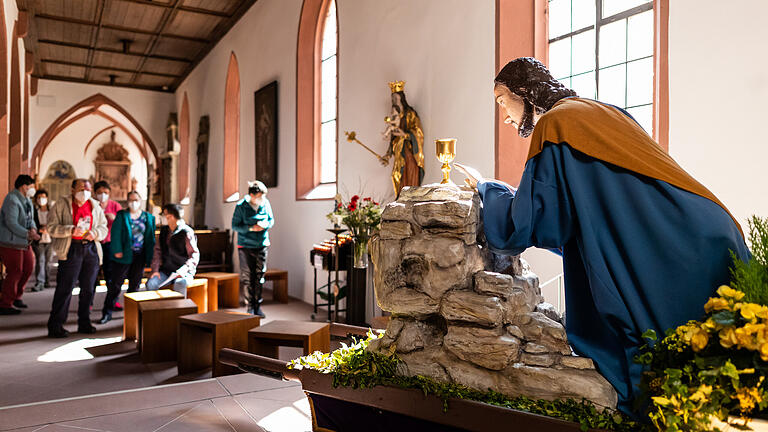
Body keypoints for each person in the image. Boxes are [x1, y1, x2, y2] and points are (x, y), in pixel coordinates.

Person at [454, 57, 750, 415]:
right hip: (704, 229)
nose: (505, 117)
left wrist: (487, 188)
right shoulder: (602, 110)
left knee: (669, 375)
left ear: (524, 92)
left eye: (503, 102)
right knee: (730, 370)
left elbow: (533, 221)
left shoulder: (556, 123)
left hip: (674, 247)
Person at [47, 179, 108, 338]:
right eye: (81, 189)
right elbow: (51, 227)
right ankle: (56, 325)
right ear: (73, 190)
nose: (85, 192)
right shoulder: (62, 204)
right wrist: (70, 230)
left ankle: (84, 322)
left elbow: (103, 227)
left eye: (88, 189)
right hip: (71, 248)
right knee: (65, 288)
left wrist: (95, 233)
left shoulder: (94, 205)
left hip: (90, 249)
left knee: (88, 288)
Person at [98, 190, 155, 324]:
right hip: (123, 254)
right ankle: (107, 312)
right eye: (131, 200)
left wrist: (150, 257)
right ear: (128, 202)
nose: (133, 203)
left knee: (134, 286)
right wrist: (117, 250)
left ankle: (131, 314)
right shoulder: (122, 215)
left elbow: (150, 238)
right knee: (115, 284)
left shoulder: (148, 217)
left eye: (136, 200)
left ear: (140, 201)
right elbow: (115, 233)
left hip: (140, 255)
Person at [231, 180, 274, 317]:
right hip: (245, 246)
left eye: (263, 196)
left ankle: (258, 306)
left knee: (259, 276)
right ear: (252, 195)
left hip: (261, 245)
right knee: (249, 277)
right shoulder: (241, 206)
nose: (262, 198)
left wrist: (264, 225)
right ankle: (250, 307)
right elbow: (235, 226)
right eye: (260, 196)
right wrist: (250, 228)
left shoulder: (265, 203)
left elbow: (271, 220)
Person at [0, 175, 39, 315]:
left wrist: (33, 229)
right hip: (11, 242)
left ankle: (16, 296)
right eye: (32, 186)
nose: (33, 189)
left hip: (23, 241)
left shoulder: (27, 199)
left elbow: (31, 218)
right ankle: (6, 303)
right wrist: (28, 234)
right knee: (15, 271)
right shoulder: (12, 199)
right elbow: (11, 223)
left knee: (28, 268)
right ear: (24, 186)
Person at [146, 204, 199, 296]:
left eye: (164, 214)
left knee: (180, 283)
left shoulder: (186, 232)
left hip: (183, 271)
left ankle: (179, 309)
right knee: (151, 283)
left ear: (171, 216)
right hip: (166, 270)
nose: (162, 217)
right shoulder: (164, 231)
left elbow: (194, 255)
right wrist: (155, 270)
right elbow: (157, 252)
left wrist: (185, 269)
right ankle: (156, 309)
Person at [93, 181, 121, 303]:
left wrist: (114, 219)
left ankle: (113, 302)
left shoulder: (115, 206)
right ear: (95, 194)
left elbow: (122, 226)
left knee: (111, 274)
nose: (103, 195)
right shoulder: (92, 205)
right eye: (100, 193)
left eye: (105, 193)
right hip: (95, 243)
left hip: (110, 244)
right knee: (92, 275)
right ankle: (88, 303)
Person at [32, 189, 54, 292]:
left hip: (50, 239)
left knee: (48, 261)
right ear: (36, 199)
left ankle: (47, 281)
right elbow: (32, 223)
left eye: (43, 197)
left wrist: (48, 228)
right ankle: (39, 282)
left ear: (47, 198)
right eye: (39, 197)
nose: (41, 199)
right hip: (38, 239)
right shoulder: (34, 211)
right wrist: (39, 229)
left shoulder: (52, 211)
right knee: (40, 260)